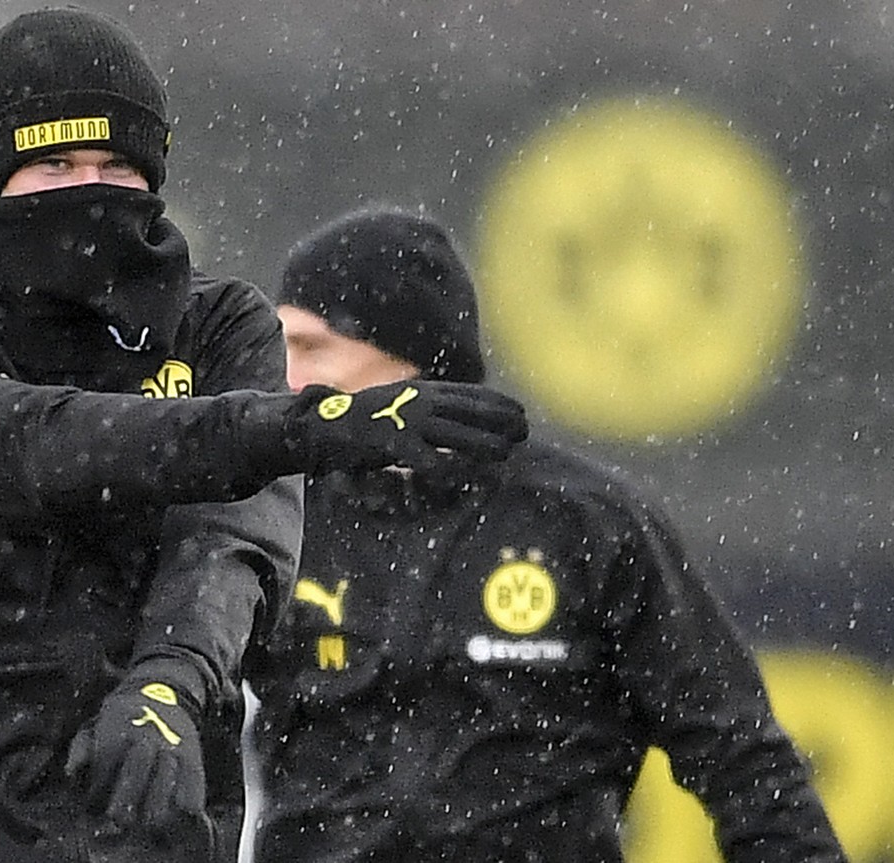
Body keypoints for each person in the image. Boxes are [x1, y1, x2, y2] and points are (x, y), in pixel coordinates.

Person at [0, 10, 528, 863]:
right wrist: (301, 421)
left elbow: (234, 543)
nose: (89, 191)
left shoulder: (218, 326)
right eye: (55, 164)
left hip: (136, 820)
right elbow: (30, 442)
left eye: (117, 167)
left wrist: (169, 680)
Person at [245, 207, 848, 863]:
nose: (287, 377)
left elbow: (741, 756)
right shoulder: (272, 513)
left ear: (406, 359)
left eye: (310, 346)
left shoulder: (582, 520)